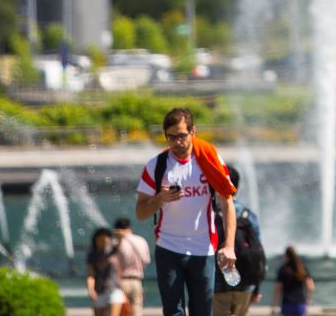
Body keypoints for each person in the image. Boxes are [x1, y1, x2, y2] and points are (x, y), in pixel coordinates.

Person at [135, 106, 238, 316]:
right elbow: (140, 212)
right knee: (173, 312)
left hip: (203, 249)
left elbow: (227, 203)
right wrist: (159, 199)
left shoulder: (209, 160)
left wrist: (229, 246)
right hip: (168, 247)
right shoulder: (157, 165)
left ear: (193, 131)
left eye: (182, 136)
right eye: (171, 137)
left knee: (202, 311)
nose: (177, 143)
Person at [212, 167, 264, 316]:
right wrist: (257, 286)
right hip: (246, 283)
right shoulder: (249, 215)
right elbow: (258, 251)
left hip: (218, 282)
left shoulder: (213, 213)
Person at [87, 226, 130, 316]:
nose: (104, 239)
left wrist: (118, 234)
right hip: (99, 290)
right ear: (95, 239)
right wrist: (91, 290)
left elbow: (119, 241)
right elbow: (91, 274)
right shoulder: (92, 255)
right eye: (100, 237)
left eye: (106, 237)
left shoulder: (113, 251)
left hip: (115, 289)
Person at [113, 216, 152, 314]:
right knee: (137, 309)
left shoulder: (116, 243)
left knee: (122, 311)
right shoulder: (141, 240)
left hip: (121, 281)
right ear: (130, 227)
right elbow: (146, 261)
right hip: (137, 281)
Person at [271, 247, 313, 316]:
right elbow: (311, 287)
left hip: (287, 304)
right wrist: (307, 302)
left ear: (285, 256)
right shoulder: (302, 268)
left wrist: (273, 305)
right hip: (300, 304)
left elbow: (277, 289)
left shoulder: (282, 270)